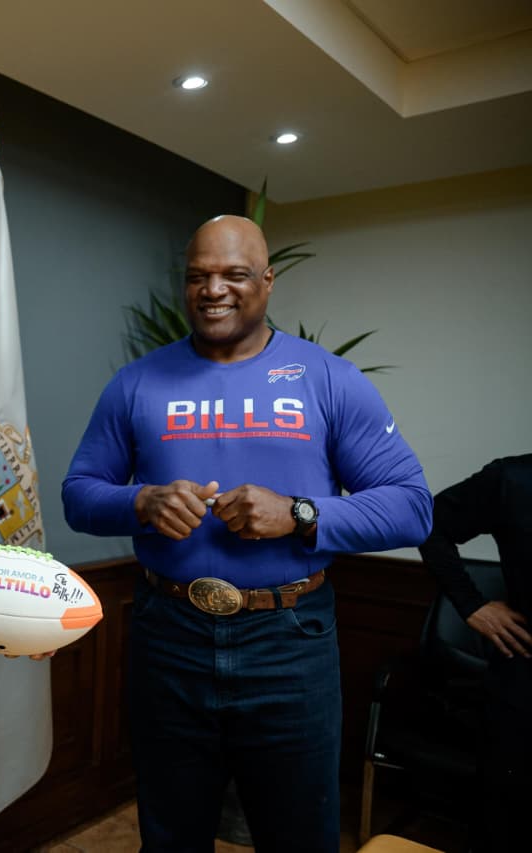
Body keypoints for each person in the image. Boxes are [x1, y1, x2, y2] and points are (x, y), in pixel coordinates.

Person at [62, 215, 432, 852]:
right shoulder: (137, 382)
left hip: (288, 641)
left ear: (267, 280)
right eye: (198, 277)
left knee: (299, 837)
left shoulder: (327, 378)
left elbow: (412, 507)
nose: (214, 290)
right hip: (168, 636)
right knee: (171, 837)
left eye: (234, 275)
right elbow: (79, 494)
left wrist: (299, 514)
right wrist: (142, 501)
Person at [418, 454, 531, 853]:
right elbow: (428, 524)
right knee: (504, 821)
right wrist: (471, 604)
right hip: (522, 678)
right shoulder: (514, 479)